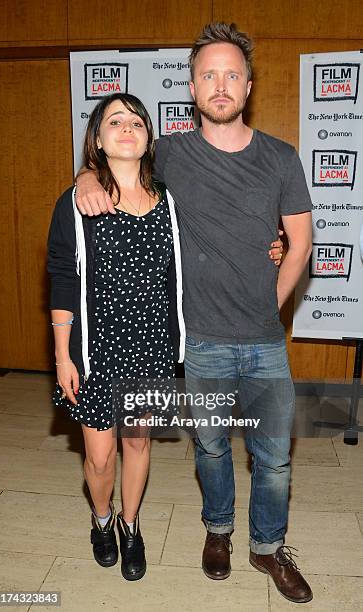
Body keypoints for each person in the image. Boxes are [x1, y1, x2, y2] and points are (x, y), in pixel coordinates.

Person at [75, 21, 312, 602]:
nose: (221, 84)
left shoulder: (281, 158)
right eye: (209, 74)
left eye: (232, 74)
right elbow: (115, 159)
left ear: (249, 86)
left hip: (263, 340)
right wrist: (83, 175)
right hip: (199, 340)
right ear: (192, 87)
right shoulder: (170, 155)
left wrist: (268, 302)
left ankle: (267, 545)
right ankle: (218, 531)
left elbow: (299, 244)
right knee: (209, 448)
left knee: (274, 457)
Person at [47, 93, 186, 580]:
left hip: (149, 347)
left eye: (135, 121)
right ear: (99, 140)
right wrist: (63, 357)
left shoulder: (169, 200)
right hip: (97, 351)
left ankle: (130, 525)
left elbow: (214, 245)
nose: (127, 128)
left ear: (148, 137)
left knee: (138, 443)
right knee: (100, 457)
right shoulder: (78, 201)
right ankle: (100, 518)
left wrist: (273, 247)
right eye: (115, 121)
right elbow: (63, 277)